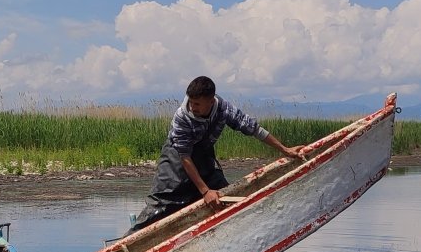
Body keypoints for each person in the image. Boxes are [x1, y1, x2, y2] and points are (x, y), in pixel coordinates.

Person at [130, 75, 308, 231]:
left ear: (211, 101)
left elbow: (253, 129)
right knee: (160, 205)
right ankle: (130, 240)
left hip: (204, 159)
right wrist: (205, 191)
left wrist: (284, 149)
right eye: (191, 102)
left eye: (197, 104)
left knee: (225, 196)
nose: (193, 107)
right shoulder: (182, 117)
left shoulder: (223, 109)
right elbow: (185, 158)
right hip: (176, 162)